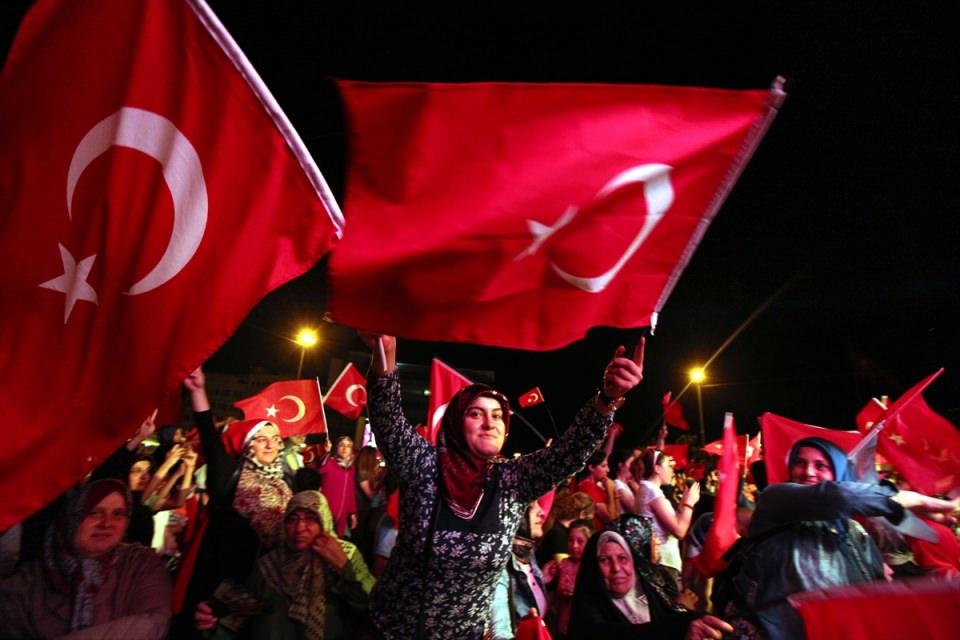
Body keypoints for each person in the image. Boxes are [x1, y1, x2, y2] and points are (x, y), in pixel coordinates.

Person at [363, 334, 643, 639]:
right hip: (392, 631)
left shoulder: (513, 480)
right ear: (455, 422)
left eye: (498, 415)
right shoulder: (424, 466)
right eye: (476, 413)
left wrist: (607, 399)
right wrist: (385, 354)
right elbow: (388, 420)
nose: (490, 423)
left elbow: (569, 452)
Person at [716, 437, 958, 640]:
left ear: (839, 472)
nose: (808, 472)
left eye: (821, 465)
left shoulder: (855, 531)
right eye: (800, 463)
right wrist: (928, 503)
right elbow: (838, 497)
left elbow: (871, 592)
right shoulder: (775, 500)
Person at [0, 479, 172, 639]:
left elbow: (151, 624)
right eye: (95, 513)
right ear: (73, 518)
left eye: (118, 514)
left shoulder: (139, 563)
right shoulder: (30, 579)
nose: (106, 523)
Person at [194, 490, 375, 639]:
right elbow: (242, 616)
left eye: (311, 518)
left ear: (324, 521)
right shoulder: (269, 565)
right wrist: (214, 621)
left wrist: (344, 567)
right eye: (292, 519)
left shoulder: (345, 554)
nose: (299, 528)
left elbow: (374, 606)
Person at [569, 514, 732, 640]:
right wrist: (679, 626)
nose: (616, 568)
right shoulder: (587, 612)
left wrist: (690, 624)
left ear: (634, 562)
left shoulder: (652, 592)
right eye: (605, 560)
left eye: (622, 558)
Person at [636, 448, 700, 585]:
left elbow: (672, 521)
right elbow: (679, 531)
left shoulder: (648, 489)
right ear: (657, 468)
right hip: (663, 561)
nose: (672, 470)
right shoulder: (652, 492)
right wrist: (689, 503)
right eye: (669, 466)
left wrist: (683, 503)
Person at [490, 500, 550, 639]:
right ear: (514, 514)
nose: (542, 512)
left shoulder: (528, 553)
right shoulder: (501, 564)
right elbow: (500, 631)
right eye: (532, 507)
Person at [542, 518, 594, 638]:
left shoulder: (594, 566)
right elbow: (547, 586)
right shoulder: (562, 564)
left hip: (586, 626)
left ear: (590, 542)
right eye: (570, 540)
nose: (574, 545)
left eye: (580, 541)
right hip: (563, 624)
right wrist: (546, 575)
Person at [536, 489, 595, 567]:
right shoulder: (559, 534)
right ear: (582, 514)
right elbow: (564, 568)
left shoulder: (559, 529)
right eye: (588, 520)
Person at [316, 436, 358, 537]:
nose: (345, 448)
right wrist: (327, 452)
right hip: (326, 512)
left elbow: (351, 491)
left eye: (348, 446)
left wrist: (352, 513)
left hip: (342, 516)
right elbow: (321, 467)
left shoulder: (352, 469)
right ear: (336, 448)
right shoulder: (330, 463)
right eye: (341, 445)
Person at [578, 451, 620, 530]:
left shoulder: (598, 487)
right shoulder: (587, 487)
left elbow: (617, 516)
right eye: (603, 466)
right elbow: (611, 520)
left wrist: (615, 493)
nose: (608, 470)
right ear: (591, 467)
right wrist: (610, 490)